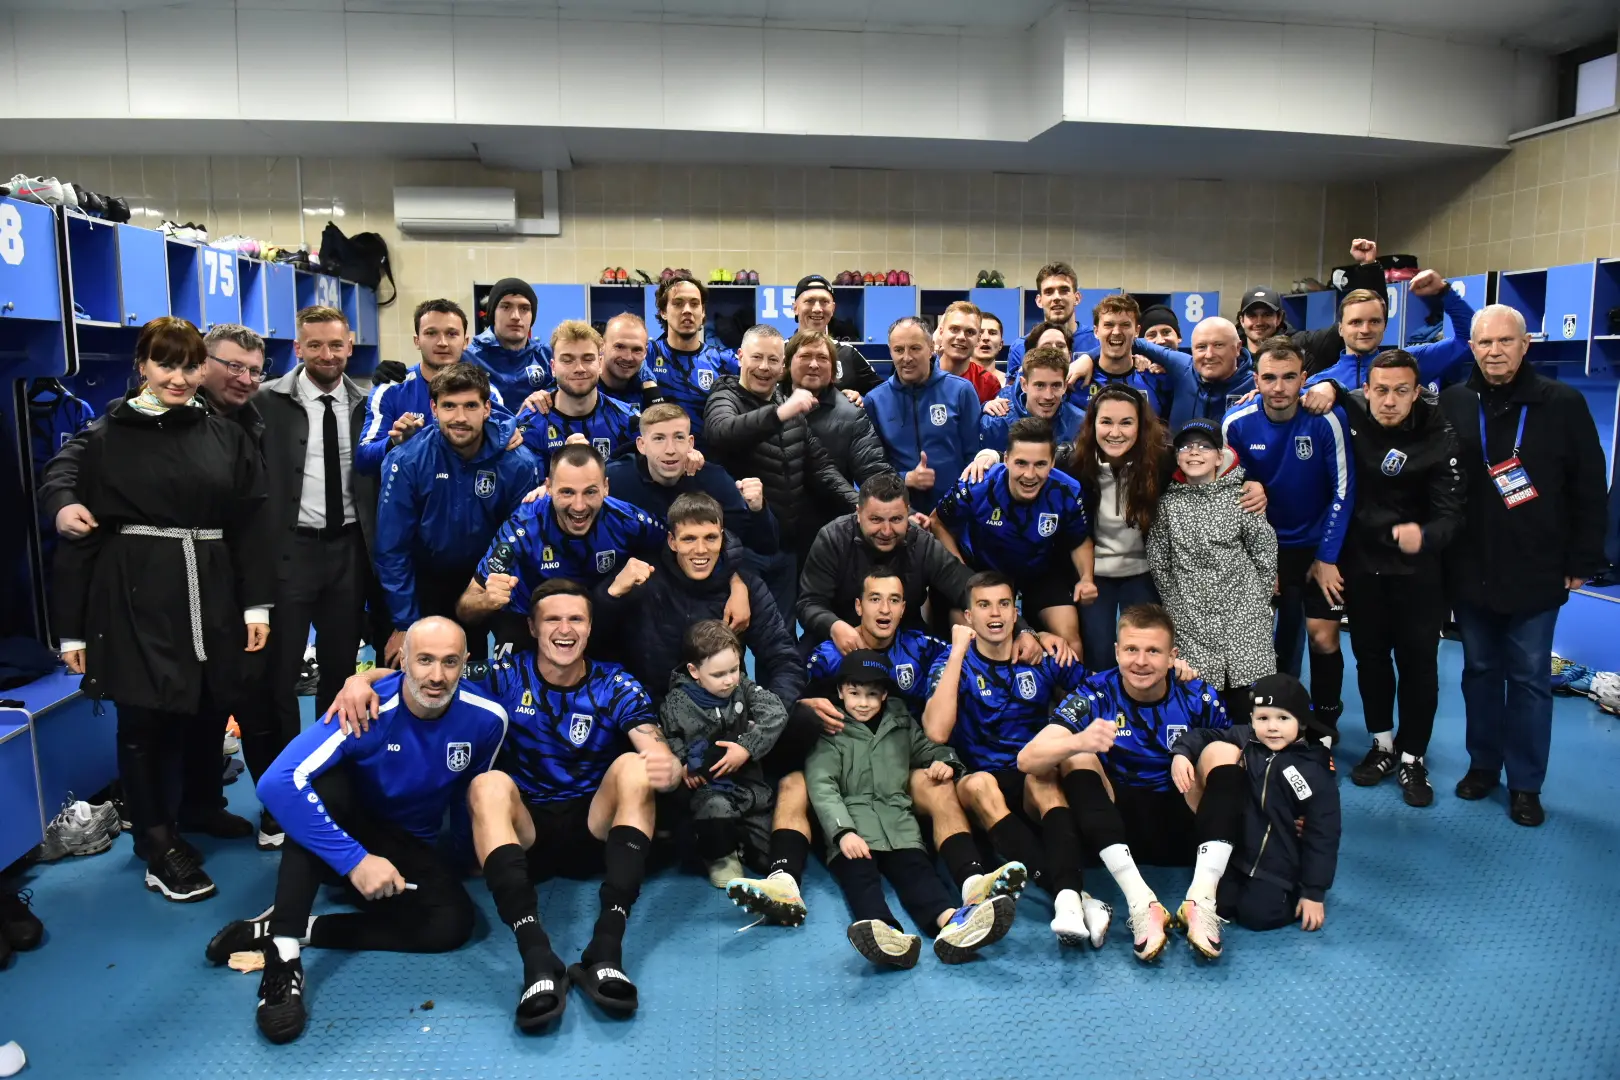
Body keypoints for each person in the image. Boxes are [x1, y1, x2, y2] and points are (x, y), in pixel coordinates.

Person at [327, 580, 679, 1027]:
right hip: (525, 835)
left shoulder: (615, 681)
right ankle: (537, 958)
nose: (565, 629)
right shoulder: (504, 674)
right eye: (553, 619)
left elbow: (653, 747)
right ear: (532, 627)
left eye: (576, 619)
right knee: (487, 784)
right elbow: (426, 674)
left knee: (634, 767)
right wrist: (358, 680)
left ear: (590, 628)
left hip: (592, 827)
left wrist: (665, 764)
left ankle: (607, 948)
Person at [49, 316, 271, 901]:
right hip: (135, 595)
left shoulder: (227, 436)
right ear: (141, 366)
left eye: (190, 365)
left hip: (213, 592)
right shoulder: (106, 435)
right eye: (165, 364)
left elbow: (252, 522)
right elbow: (67, 501)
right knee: (145, 720)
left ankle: (196, 808)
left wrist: (257, 605)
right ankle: (154, 841)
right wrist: (72, 631)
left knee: (206, 706)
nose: (178, 377)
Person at [206, 617, 506, 1044]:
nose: (437, 675)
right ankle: (283, 957)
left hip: (404, 849)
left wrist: (461, 859)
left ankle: (293, 930)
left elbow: (467, 798)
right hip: (342, 842)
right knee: (321, 787)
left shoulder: (487, 718)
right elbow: (276, 783)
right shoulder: (364, 707)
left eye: (450, 662)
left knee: (452, 925)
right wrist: (355, 861)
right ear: (402, 660)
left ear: (466, 661)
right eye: (424, 660)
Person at [1440, 304, 1606, 827]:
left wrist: (1584, 558)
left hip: (1538, 567)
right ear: (1472, 348)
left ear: (1525, 344)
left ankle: (1526, 785)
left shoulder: (1563, 403)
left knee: (1531, 678)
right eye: (1485, 343)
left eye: (1505, 341)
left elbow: (1589, 486)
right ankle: (1483, 766)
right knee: (1479, 672)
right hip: (1471, 567)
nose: (1494, 351)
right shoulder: (1455, 402)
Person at [1019, 604, 1240, 961]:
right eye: (1131, 649)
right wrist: (1079, 740)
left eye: (1153, 651)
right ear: (1116, 651)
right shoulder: (1096, 692)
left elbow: (1245, 754)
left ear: (1172, 656)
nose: (1140, 661)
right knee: (1075, 755)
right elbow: (1026, 760)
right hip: (1113, 829)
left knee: (1224, 750)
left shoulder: (1197, 694)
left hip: (1183, 823)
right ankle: (1141, 902)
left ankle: (1201, 899)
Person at [1310, 351, 1464, 807]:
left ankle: (1413, 756)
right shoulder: (1353, 411)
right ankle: (1382, 744)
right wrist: (1327, 386)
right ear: (1367, 390)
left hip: (1419, 571)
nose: (1390, 400)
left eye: (1401, 391)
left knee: (1418, 664)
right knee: (1371, 659)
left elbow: (1453, 513)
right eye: (1381, 390)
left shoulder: (1440, 433)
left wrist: (1426, 535)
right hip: (1363, 566)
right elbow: (1322, 391)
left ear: (1417, 392)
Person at [922, 575, 1105, 948]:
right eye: (984, 606)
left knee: (1043, 776)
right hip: (980, 780)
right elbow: (937, 731)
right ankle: (1072, 895)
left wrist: (1174, 674)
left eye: (1003, 604)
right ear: (969, 617)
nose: (995, 614)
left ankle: (1068, 901)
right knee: (980, 784)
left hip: (1029, 773)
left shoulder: (1043, 656)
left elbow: (1101, 690)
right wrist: (957, 652)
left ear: (1015, 611)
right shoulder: (951, 662)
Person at [808, 650, 1017, 968]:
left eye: (872, 695)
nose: (862, 703)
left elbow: (926, 748)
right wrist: (843, 832)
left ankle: (952, 923)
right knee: (860, 879)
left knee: (919, 874)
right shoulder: (830, 728)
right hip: (854, 824)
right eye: (854, 693)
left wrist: (946, 762)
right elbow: (822, 785)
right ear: (840, 692)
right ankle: (885, 933)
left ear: (884, 695)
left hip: (898, 823)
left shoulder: (899, 719)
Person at [255, 305, 377, 797]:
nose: (327, 354)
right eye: (315, 345)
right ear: (297, 348)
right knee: (280, 677)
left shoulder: (369, 405)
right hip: (289, 552)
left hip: (348, 552)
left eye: (336, 344)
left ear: (350, 346)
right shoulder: (264, 403)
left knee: (341, 671)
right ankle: (282, 788)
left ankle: (329, 778)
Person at [1222, 337, 1355, 734]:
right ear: (1256, 380)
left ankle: (1325, 727)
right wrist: (1260, 557)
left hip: (1317, 547)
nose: (1278, 387)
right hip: (1263, 546)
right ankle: (1257, 722)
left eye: (1288, 377)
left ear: (1304, 379)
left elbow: (1344, 491)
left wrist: (1327, 557)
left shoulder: (1327, 419)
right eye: (1269, 378)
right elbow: (1226, 493)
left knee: (1323, 637)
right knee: (1254, 639)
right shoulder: (1236, 423)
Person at [372, 364, 542, 665]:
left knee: (479, 673)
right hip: (420, 584)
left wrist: (486, 593)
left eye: (470, 406)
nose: (460, 417)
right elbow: (392, 549)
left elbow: (519, 542)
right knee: (408, 670)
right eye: (449, 406)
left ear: (487, 409)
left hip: (485, 579)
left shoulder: (518, 464)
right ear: (433, 409)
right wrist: (404, 622)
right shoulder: (407, 461)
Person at [703, 324, 859, 627]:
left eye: (773, 359)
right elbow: (722, 432)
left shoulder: (788, 407)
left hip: (785, 550)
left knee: (783, 638)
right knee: (733, 637)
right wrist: (780, 413)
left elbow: (821, 466)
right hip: (739, 553)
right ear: (740, 357)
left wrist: (858, 503)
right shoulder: (724, 396)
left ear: (782, 366)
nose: (764, 367)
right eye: (756, 357)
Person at [592, 493, 801, 714]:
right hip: (647, 715)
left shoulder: (748, 587)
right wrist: (610, 596)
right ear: (672, 541)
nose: (701, 549)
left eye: (710, 538)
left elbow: (785, 660)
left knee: (805, 718)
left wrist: (764, 720)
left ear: (722, 538)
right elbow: (592, 646)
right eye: (689, 539)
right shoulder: (641, 580)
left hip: (726, 717)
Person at [1169, 673, 1341, 933]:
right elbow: (1205, 735)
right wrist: (1182, 753)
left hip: (1279, 867)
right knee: (1221, 906)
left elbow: (1324, 834)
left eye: (1283, 718)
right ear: (1251, 719)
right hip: (1239, 858)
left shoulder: (1314, 769)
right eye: (1263, 718)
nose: (1272, 727)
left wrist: (1313, 893)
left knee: (1258, 917)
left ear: (1302, 722)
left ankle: (1290, 893)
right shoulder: (1248, 740)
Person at [456, 443, 668, 636]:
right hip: (528, 622)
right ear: (548, 488)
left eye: (590, 492)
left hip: (598, 617)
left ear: (606, 487)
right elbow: (465, 608)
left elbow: (676, 543)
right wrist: (486, 600)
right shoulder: (522, 529)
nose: (579, 506)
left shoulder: (627, 519)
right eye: (567, 492)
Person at [1148, 419, 1278, 723]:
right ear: (1177, 456)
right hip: (1191, 622)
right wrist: (1176, 604)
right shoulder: (1168, 505)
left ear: (1220, 456)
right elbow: (1159, 560)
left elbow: (1264, 550)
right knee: (1201, 706)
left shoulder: (1242, 497)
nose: (1194, 452)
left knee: (1249, 707)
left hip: (1244, 620)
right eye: (1186, 447)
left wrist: (1256, 601)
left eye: (1204, 446)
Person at [933, 418, 1094, 658]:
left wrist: (1086, 578)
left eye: (1040, 464)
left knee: (1071, 645)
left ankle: (1065, 685)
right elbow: (937, 522)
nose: (1030, 475)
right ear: (1006, 459)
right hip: (984, 572)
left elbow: (1079, 539)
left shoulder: (1067, 490)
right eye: (1021, 463)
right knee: (971, 641)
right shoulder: (977, 484)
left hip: (1038, 572)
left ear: (1052, 462)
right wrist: (960, 568)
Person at [660, 620, 786, 886]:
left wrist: (747, 747)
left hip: (749, 788)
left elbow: (776, 713)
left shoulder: (743, 687)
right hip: (709, 790)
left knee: (768, 860)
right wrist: (682, 762)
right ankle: (720, 856)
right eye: (719, 675)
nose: (729, 680)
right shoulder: (676, 702)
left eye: (734, 669)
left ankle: (739, 839)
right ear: (694, 671)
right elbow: (668, 737)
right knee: (713, 813)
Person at [357, 299, 509, 475]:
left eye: (452, 334)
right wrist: (394, 443)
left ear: (465, 341)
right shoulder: (390, 391)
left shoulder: (487, 393)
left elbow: (505, 450)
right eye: (431, 333)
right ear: (417, 341)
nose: (442, 342)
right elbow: (363, 460)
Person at [604, 403, 779, 553]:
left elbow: (764, 547)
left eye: (679, 437)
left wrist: (758, 510)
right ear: (641, 445)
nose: (670, 449)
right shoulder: (615, 478)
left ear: (691, 443)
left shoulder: (714, 479)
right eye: (659, 438)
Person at [864, 316, 983, 513]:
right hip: (900, 515)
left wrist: (960, 503)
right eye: (898, 350)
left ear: (931, 348)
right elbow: (871, 466)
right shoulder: (875, 400)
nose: (906, 358)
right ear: (890, 351)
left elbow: (974, 456)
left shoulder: (961, 391)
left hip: (956, 511)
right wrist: (906, 478)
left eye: (915, 348)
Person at [1303, 268, 1475, 399]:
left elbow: (1469, 341)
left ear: (1384, 325)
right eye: (1356, 322)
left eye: (1374, 321)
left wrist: (1444, 292)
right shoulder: (1316, 385)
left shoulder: (1410, 362)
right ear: (1341, 329)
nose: (1365, 329)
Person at [803, 567, 948, 718]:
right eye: (875, 599)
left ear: (902, 609)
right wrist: (805, 707)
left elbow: (960, 655)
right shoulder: (827, 657)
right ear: (859, 606)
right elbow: (799, 704)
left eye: (894, 600)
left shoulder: (923, 648)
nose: (885, 609)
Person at [514, 321, 640, 469]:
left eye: (588, 359)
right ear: (553, 368)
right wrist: (562, 463)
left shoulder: (629, 420)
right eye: (567, 360)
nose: (579, 368)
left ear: (600, 363)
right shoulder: (529, 426)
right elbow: (526, 482)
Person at [785, 328, 891, 490]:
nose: (814, 365)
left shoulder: (852, 414)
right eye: (805, 356)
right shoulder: (768, 405)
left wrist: (894, 499)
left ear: (833, 370)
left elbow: (875, 474)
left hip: (836, 505)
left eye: (822, 358)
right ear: (787, 364)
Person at [644, 271, 738, 442]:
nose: (687, 310)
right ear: (663, 312)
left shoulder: (724, 361)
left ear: (703, 312)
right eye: (678, 303)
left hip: (709, 457)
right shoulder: (646, 355)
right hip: (659, 456)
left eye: (694, 304)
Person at [1131, 316, 1257, 431]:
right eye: (1201, 347)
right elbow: (1134, 341)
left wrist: (1264, 397)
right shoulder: (1183, 367)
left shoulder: (1255, 385)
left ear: (1237, 348)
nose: (1209, 355)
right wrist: (1134, 358)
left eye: (1218, 345)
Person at [975, 345, 1084, 456]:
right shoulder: (995, 424)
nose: (1048, 396)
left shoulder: (1081, 424)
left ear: (1065, 386)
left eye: (1056, 385)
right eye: (1040, 385)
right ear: (1024, 385)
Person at [1004, 262, 1101, 380]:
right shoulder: (1020, 347)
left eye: (1064, 290)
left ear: (1077, 298)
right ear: (1039, 301)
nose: (1056, 297)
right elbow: (1011, 390)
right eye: (1049, 292)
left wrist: (1090, 357)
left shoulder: (1098, 340)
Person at [464, 278, 554, 404]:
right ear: (492, 314)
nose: (515, 316)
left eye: (524, 308)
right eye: (506, 307)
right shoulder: (470, 359)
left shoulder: (547, 357)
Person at [1080, 294, 1172, 416]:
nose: (1116, 332)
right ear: (1096, 331)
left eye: (1125, 325)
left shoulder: (1157, 381)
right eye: (1109, 325)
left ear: (1137, 331)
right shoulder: (1077, 382)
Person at [789, 274, 881, 394]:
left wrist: (861, 399)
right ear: (795, 308)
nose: (817, 309)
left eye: (824, 302)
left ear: (832, 309)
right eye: (809, 301)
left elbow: (880, 394)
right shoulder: (781, 352)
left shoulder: (848, 354)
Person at [933, 301, 1002, 403]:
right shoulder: (922, 375)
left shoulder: (988, 383)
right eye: (954, 329)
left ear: (978, 339)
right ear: (941, 332)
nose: (961, 337)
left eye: (970, 332)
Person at [598, 313, 658, 408]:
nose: (628, 357)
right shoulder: (585, 386)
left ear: (645, 352)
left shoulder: (646, 387)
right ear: (602, 346)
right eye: (619, 347)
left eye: (637, 349)